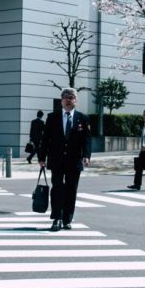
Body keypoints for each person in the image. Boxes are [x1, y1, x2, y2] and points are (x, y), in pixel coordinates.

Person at [38, 88, 92, 231]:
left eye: (71, 97)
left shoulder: (82, 118)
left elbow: (87, 139)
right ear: (61, 100)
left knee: (71, 189)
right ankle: (57, 218)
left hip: (74, 160)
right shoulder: (52, 117)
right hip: (56, 159)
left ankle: (67, 219)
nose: (68, 100)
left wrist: (86, 155)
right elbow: (45, 139)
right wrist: (41, 157)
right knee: (57, 188)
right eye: (66, 97)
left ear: (76, 101)